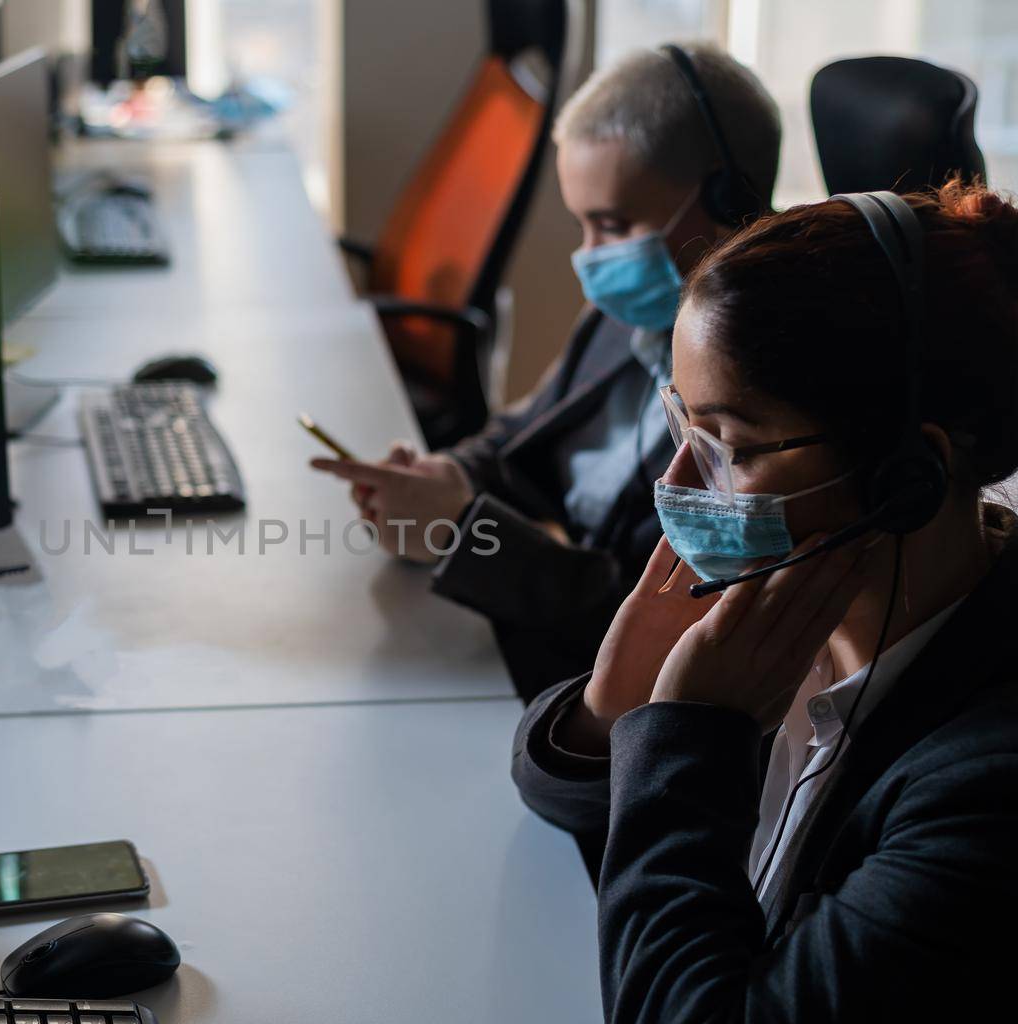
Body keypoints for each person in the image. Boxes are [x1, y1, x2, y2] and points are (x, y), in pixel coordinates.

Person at [513, 180, 1018, 1024]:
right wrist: (612, 711)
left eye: (731, 445)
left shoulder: (1008, 793)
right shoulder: (793, 612)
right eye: (683, 427)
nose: (682, 483)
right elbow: (553, 796)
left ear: (906, 472)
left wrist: (689, 740)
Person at [311, 43, 781, 699]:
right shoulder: (633, 312)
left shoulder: (766, 396)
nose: (589, 259)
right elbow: (525, 434)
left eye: (612, 225)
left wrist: (465, 534)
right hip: (528, 636)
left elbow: (665, 625)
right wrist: (443, 479)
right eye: (582, 225)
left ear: (731, 202)